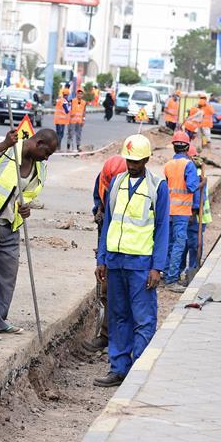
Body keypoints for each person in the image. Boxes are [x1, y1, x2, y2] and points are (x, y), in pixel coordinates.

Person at [0, 128, 59, 341]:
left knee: (7, 274)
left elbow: (26, 195)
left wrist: (25, 209)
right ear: (39, 142)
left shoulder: (40, 168)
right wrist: (4, 144)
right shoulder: (6, 146)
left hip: (9, 223)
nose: (47, 157)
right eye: (47, 152)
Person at [93, 134, 169, 387]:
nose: (132, 165)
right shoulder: (116, 183)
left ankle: (138, 370)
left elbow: (162, 228)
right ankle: (118, 368)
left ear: (146, 159)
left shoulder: (157, 187)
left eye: (136, 161)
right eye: (129, 160)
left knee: (143, 319)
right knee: (118, 317)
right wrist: (102, 258)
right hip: (115, 262)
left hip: (141, 264)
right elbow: (109, 224)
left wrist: (157, 267)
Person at [83, 154, 128, 352]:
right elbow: (97, 197)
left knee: (122, 291)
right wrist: (98, 211)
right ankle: (106, 335)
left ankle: (120, 338)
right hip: (106, 236)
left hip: (127, 242)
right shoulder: (102, 178)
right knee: (105, 288)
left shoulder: (134, 186)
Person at [162, 131, 200, 292]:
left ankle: (166, 273)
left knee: (169, 243)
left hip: (168, 210)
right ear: (187, 146)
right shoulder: (188, 165)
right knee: (179, 244)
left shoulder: (168, 165)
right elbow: (191, 186)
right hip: (182, 211)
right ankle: (172, 279)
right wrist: (201, 181)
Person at [180, 145, 212, 283]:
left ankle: (192, 269)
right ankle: (183, 269)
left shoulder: (197, 173)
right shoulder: (192, 171)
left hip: (196, 218)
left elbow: (199, 196)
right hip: (191, 216)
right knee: (185, 243)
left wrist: (193, 212)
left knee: (193, 244)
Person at [66, 88, 87, 152]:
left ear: (82, 95)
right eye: (78, 93)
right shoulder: (72, 101)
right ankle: (68, 147)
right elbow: (68, 110)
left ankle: (78, 147)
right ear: (76, 94)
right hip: (72, 121)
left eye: (81, 94)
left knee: (78, 135)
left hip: (79, 121)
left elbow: (84, 112)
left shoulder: (84, 103)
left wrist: (83, 120)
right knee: (70, 134)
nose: (79, 95)